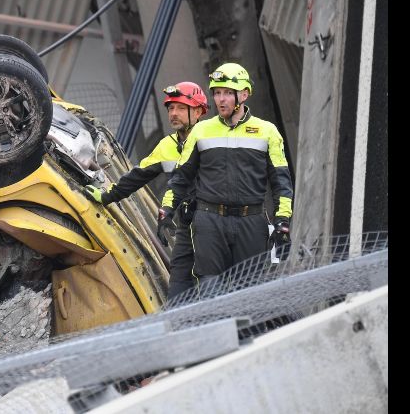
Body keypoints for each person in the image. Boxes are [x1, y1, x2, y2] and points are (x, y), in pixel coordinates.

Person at [164, 63, 293, 293]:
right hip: (209, 222)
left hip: (251, 222)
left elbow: (281, 182)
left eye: (226, 93)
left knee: (250, 293)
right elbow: (180, 177)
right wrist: (166, 211)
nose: (220, 99)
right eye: (216, 93)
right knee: (210, 290)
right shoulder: (201, 131)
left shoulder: (267, 131)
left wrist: (282, 222)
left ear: (243, 94)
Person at [83, 82, 209, 300]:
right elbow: (137, 176)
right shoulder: (166, 146)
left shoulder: (213, 141)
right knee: (178, 293)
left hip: (216, 227)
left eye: (180, 107)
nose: (173, 114)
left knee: (216, 288)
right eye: (170, 108)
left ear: (198, 111)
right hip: (187, 230)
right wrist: (106, 196)